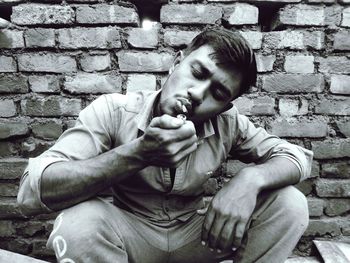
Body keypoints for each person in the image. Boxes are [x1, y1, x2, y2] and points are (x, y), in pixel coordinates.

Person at [17, 28, 313, 263]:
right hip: (129, 236)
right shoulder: (115, 110)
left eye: (218, 92)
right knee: (77, 223)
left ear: (225, 106)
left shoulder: (228, 123)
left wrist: (250, 180)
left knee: (289, 203)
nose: (197, 94)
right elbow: (34, 189)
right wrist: (139, 152)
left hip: (196, 238)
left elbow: (297, 158)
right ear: (176, 63)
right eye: (198, 73)